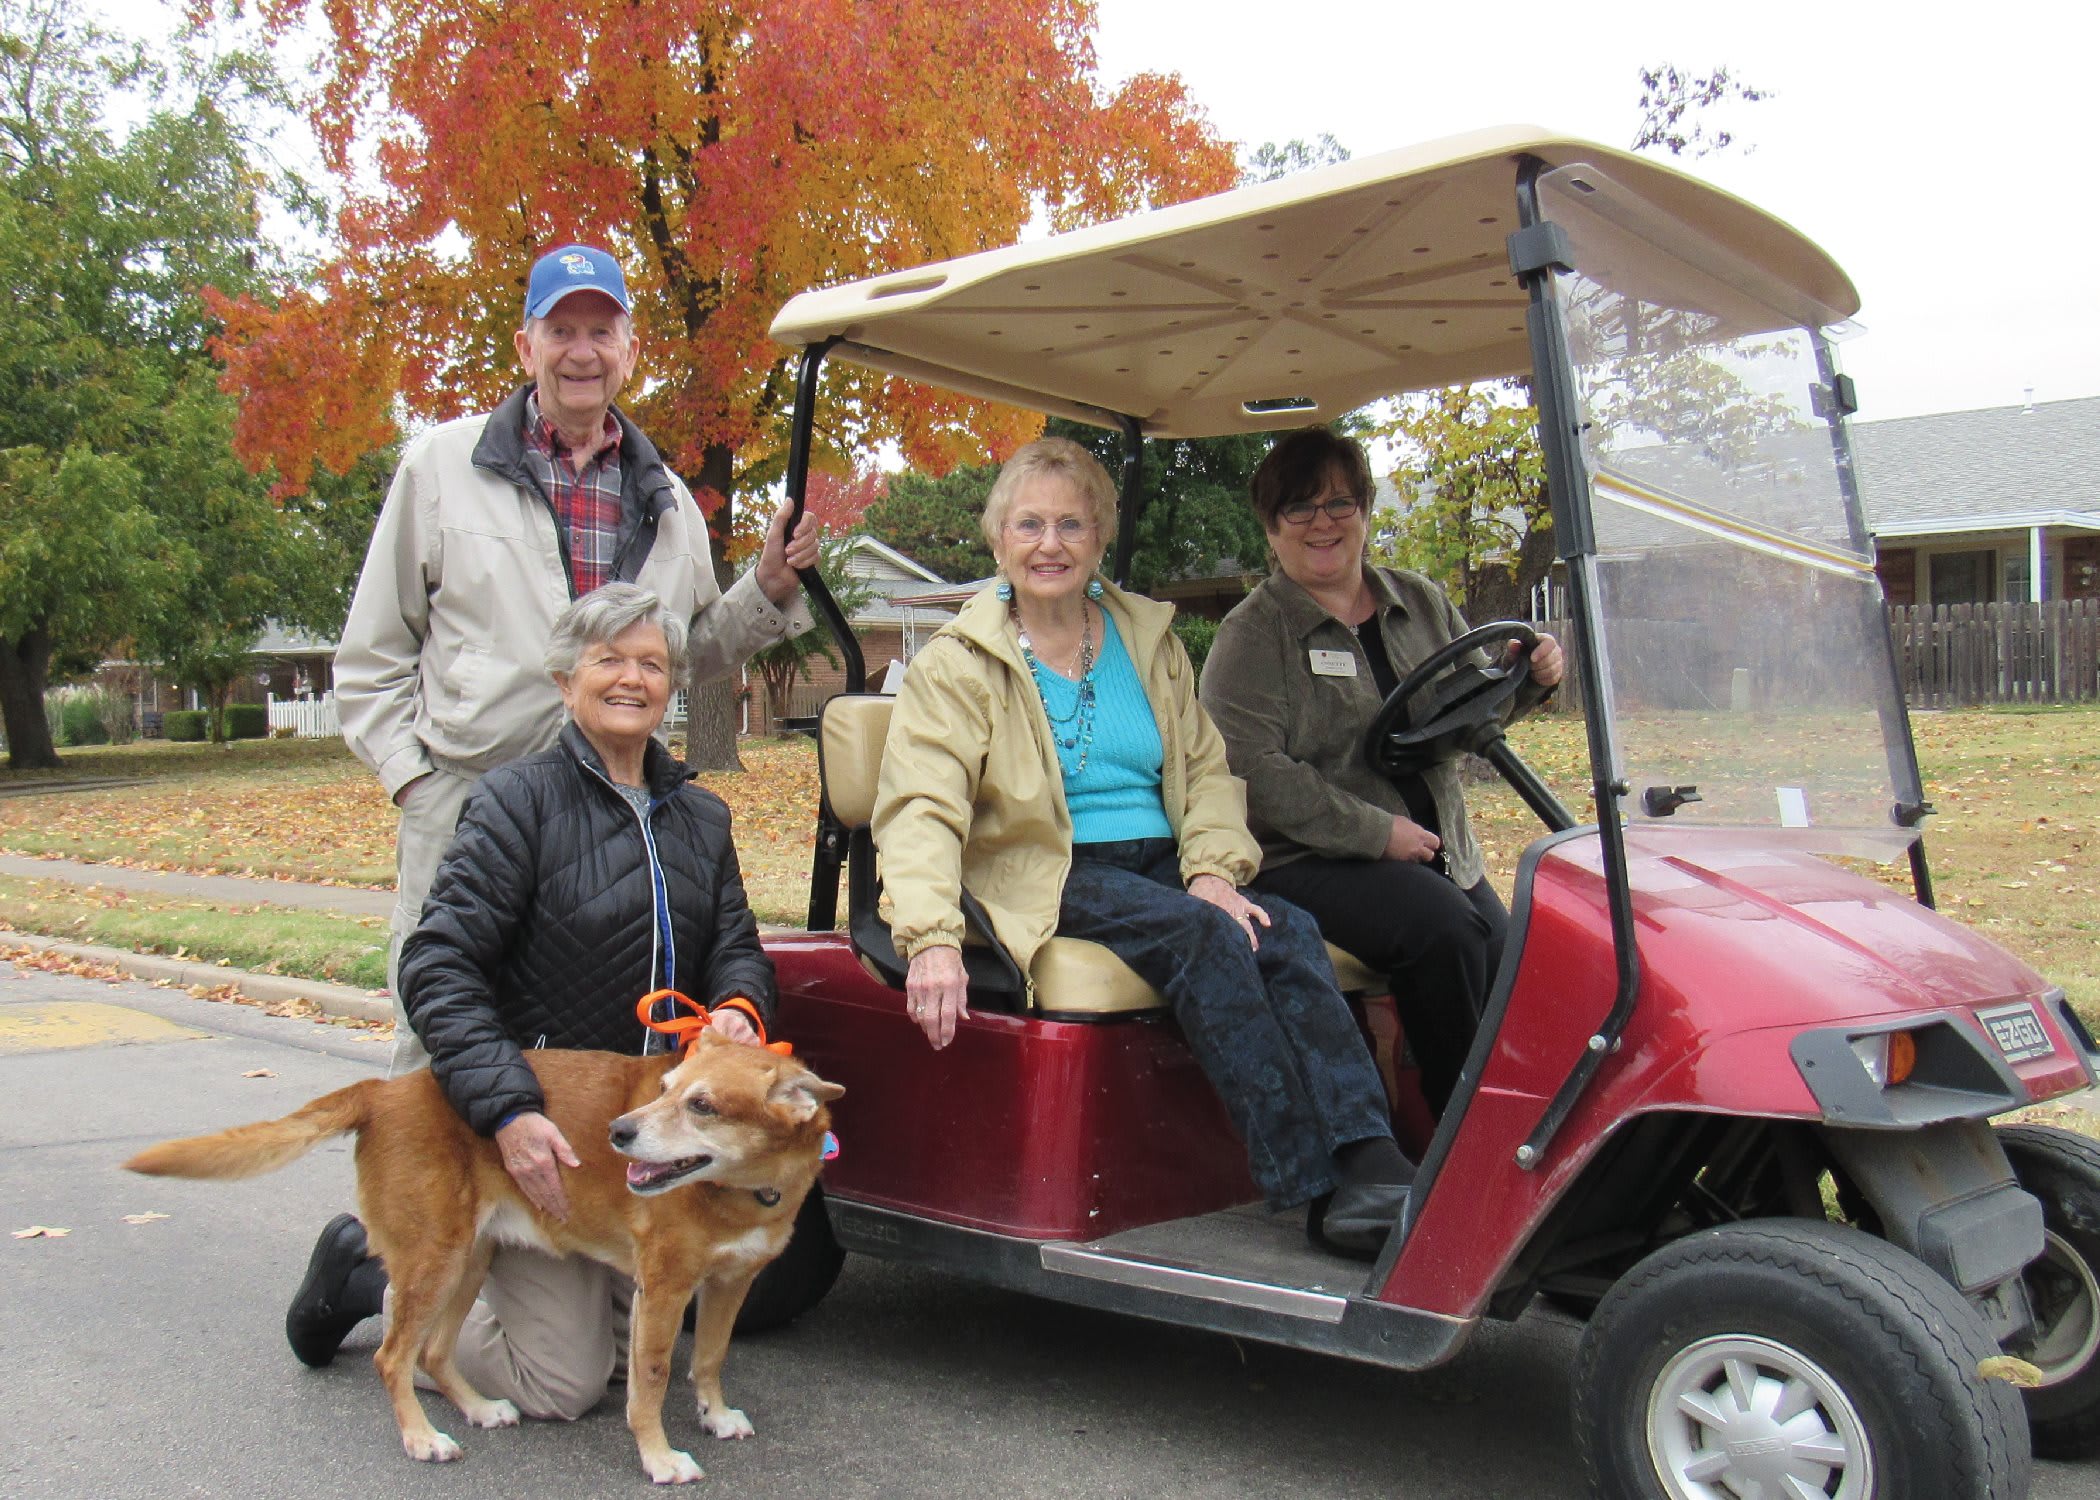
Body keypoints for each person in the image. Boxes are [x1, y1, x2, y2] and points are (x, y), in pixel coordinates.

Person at [872, 437, 1411, 1259]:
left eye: (1070, 525)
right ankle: (1315, 1185)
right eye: (1029, 525)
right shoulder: (958, 665)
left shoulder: (1146, 639)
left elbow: (1204, 770)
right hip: (1045, 867)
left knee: (1284, 930)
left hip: (1161, 858)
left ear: (1097, 537)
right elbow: (921, 808)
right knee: (1201, 938)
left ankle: (1374, 1159)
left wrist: (1212, 870)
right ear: (998, 541)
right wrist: (932, 938)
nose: (1049, 544)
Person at [284, 584, 776, 1416]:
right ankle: (380, 1281)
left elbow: (737, 947)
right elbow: (436, 964)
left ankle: (464, 1286)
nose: (631, 678)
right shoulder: (516, 801)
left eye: (650, 663)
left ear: (671, 685)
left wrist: (736, 1008)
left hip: (648, 1138)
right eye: (608, 660)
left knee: (639, 1358)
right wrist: (508, 1111)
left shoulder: (702, 817)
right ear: (563, 681)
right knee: (562, 1382)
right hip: (538, 1135)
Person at [333, 242, 816, 1077]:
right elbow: (372, 655)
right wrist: (416, 784)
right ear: (527, 347)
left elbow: (688, 654)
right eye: (561, 330)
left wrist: (766, 590)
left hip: (609, 815)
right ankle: (425, 1211)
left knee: (595, 1050)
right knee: (440, 1031)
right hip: (470, 796)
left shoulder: (666, 502)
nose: (581, 351)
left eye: (601, 330)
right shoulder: (442, 470)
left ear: (630, 352)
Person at [1199, 427, 1565, 1116]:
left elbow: (1469, 707)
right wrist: (1374, 833)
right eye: (1299, 509)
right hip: (1304, 857)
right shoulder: (1254, 635)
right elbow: (1249, 769)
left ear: (1366, 509)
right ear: (1272, 529)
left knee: (1516, 955)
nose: (1322, 524)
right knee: (1446, 933)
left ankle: (1532, 1127)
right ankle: (1461, 1136)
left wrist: (1531, 681)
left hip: (1438, 852)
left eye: (1339, 503)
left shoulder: (1418, 602)